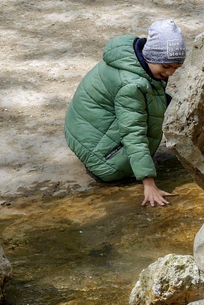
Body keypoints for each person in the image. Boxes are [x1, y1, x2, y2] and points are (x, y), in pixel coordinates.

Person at [64, 20, 186, 206]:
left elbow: (152, 96)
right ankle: (111, 165)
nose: (170, 73)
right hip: (103, 160)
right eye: (166, 66)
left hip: (85, 134)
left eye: (175, 69)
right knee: (135, 125)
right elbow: (132, 132)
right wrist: (148, 182)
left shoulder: (130, 61)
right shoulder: (131, 84)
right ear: (151, 56)